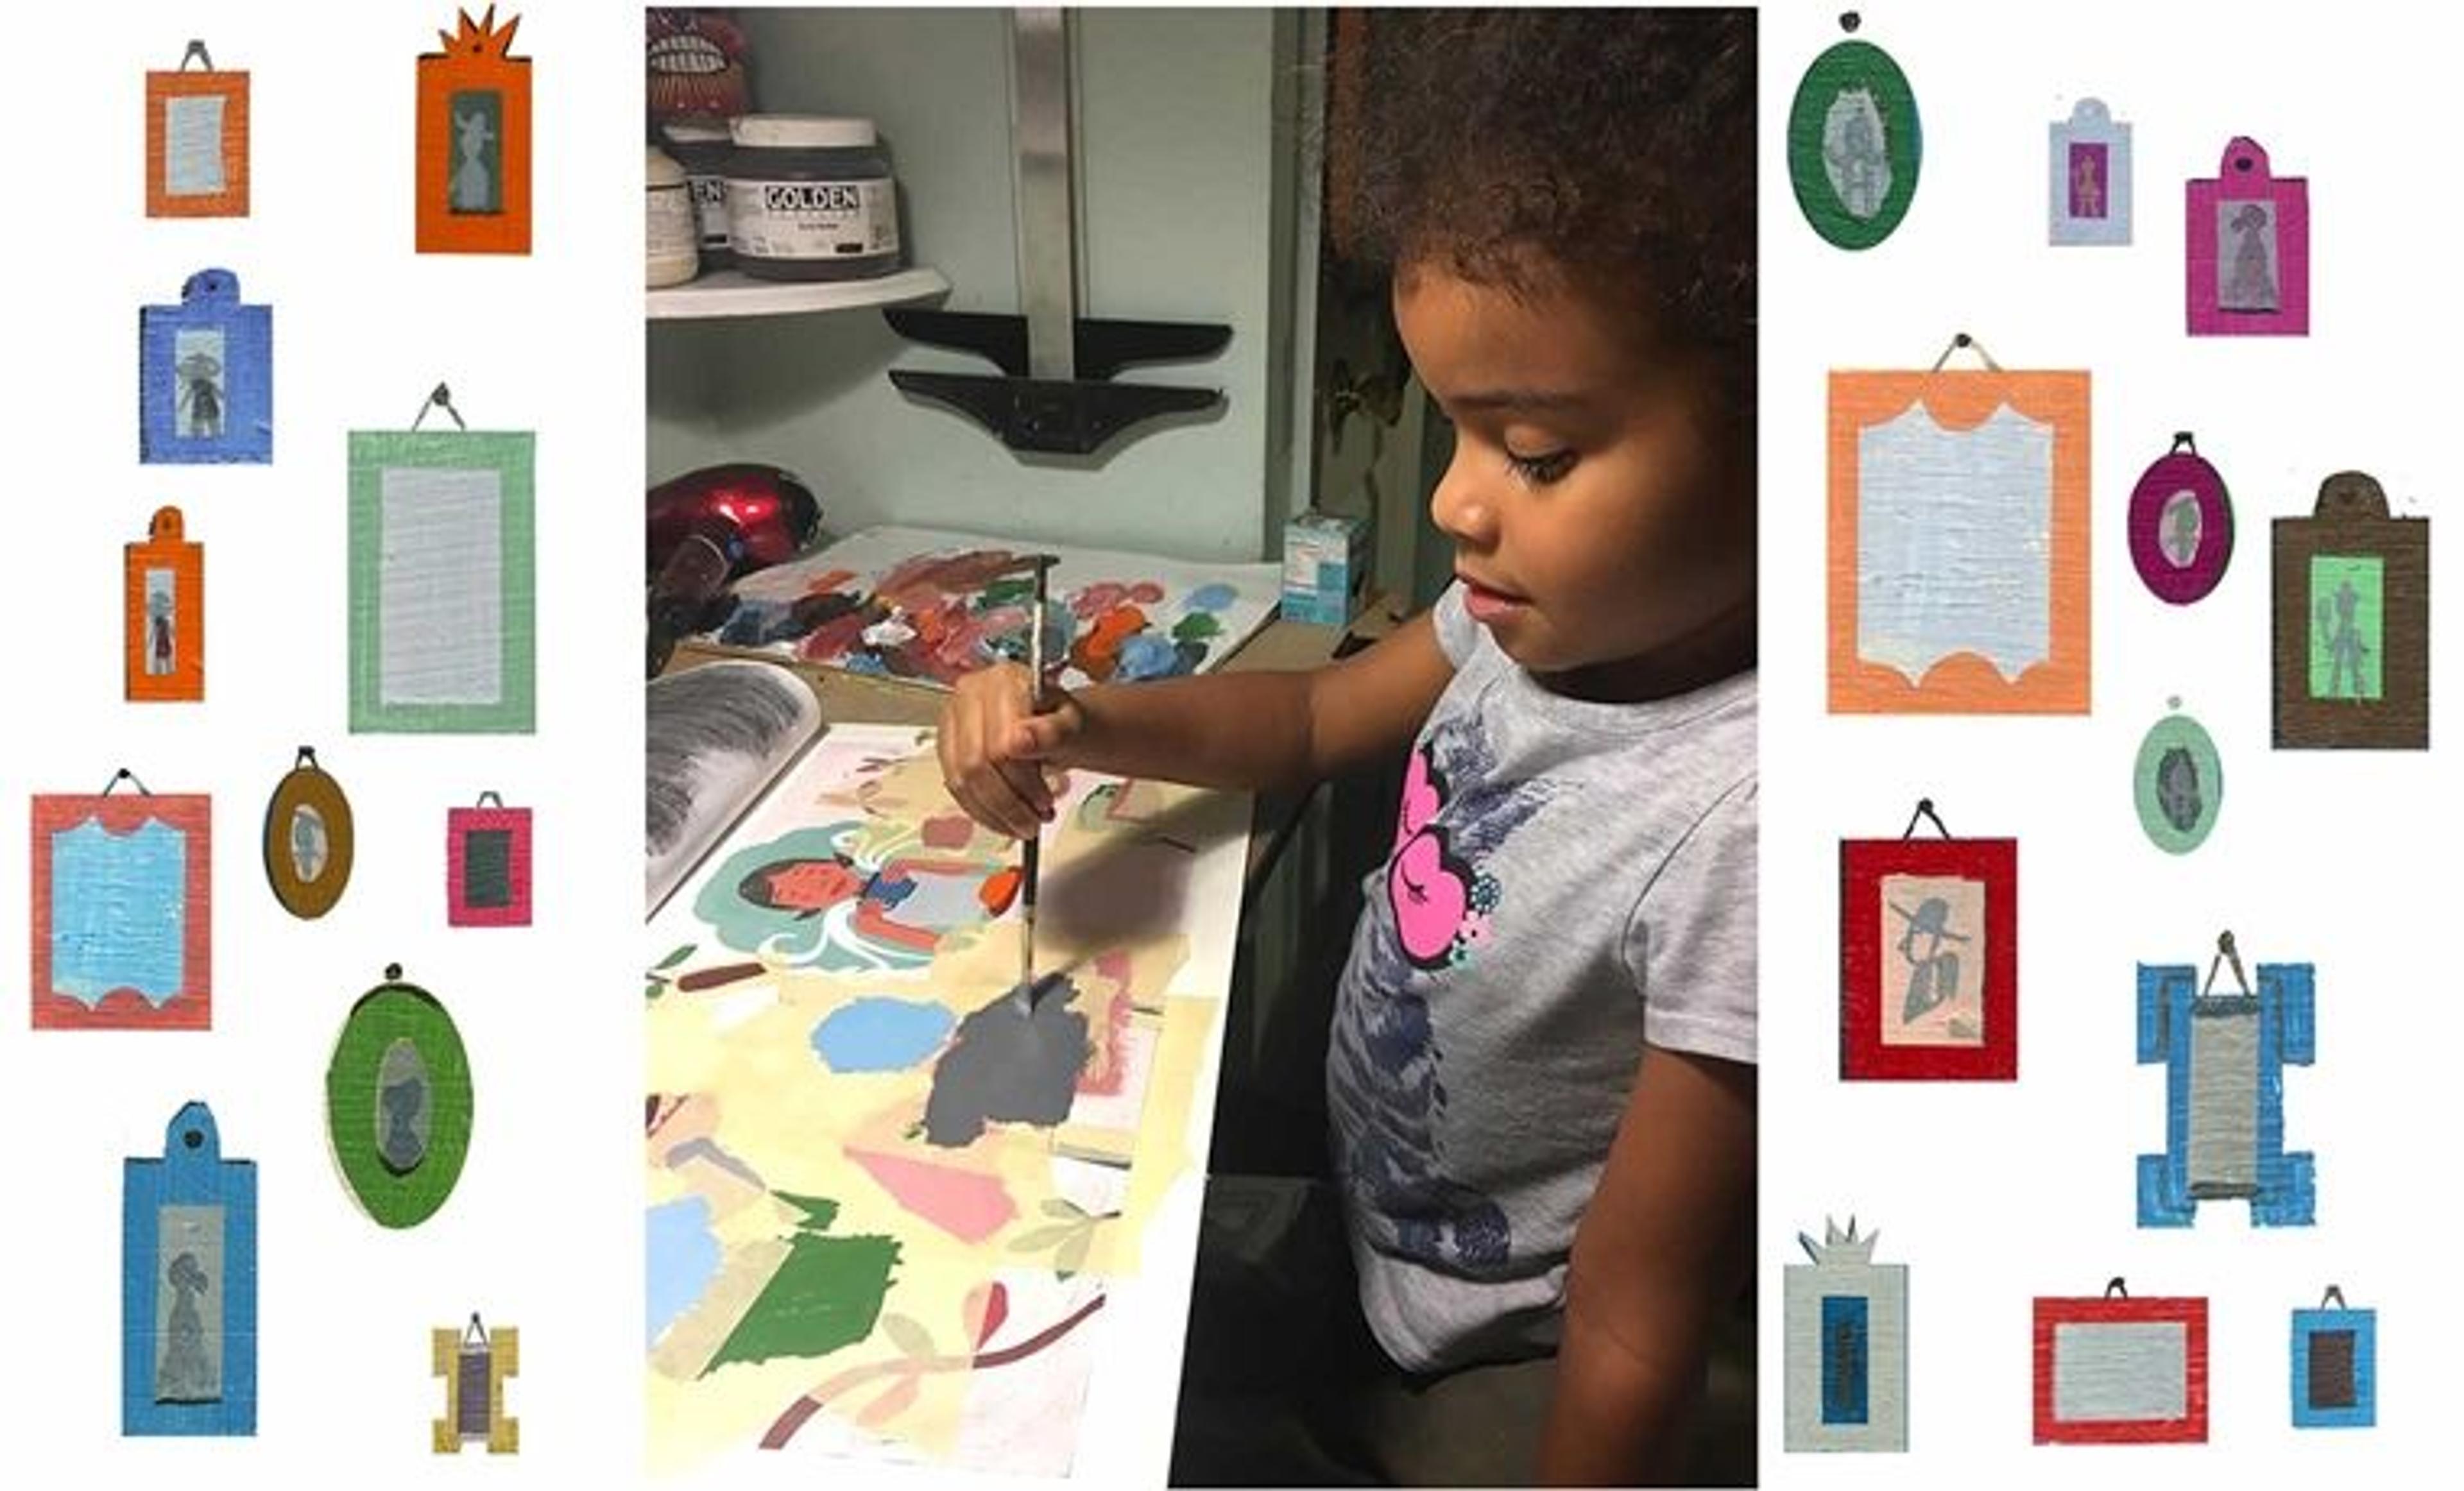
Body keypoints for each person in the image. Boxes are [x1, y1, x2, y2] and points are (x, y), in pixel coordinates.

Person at [939, 9, 1754, 1483]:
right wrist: (1084, 723)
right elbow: (1314, 714)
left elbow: (1640, 1335)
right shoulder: (1526, 619)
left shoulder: (1748, 820)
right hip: (1392, 1233)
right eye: (1456, 433)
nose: (1456, 502)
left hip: (1514, 1365)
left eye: (1538, 452)